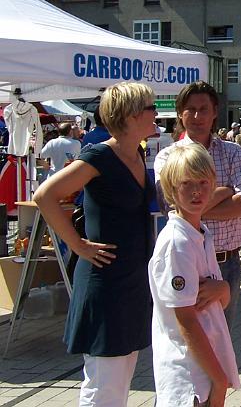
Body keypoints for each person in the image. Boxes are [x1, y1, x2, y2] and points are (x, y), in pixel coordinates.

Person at [33, 82, 158, 405]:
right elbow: (45, 195)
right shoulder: (100, 155)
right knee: (104, 385)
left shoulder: (136, 152)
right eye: (150, 107)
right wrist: (77, 245)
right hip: (106, 285)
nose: (156, 112)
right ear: (130, 116)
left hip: (130, 281)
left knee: (120, 376)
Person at [155, 82, 241, 328]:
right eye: (190, 109)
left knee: (221, 338)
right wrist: (225, 190)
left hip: (227, 261)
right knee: (189, 337)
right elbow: (171, 206)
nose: (197, 116)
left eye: (203, 109)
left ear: (214, 112)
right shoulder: (168, 157)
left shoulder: (233, 152)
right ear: (180, 113)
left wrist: (193, 207)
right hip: (186, 259)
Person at [149, 143, 240, 406]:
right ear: (171, 188)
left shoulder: (200, 233)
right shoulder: (178, 242)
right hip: (188, 376)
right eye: (187, 183)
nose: (197, 191)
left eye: (203, 182)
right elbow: (186, 319)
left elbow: (218, 301)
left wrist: (222, 288)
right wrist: (219, 380)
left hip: (204, 367)